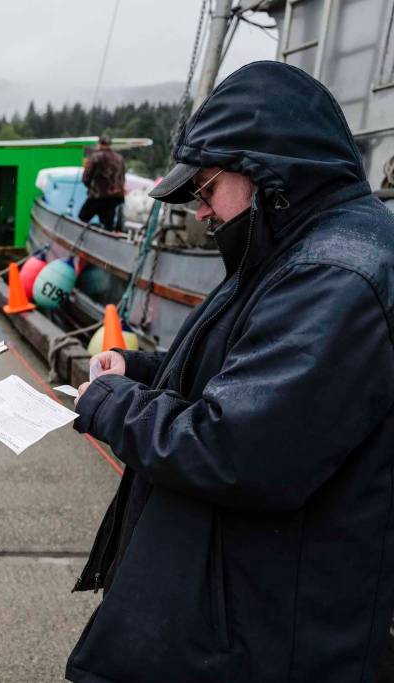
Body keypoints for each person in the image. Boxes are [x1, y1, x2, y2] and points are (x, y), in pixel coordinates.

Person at [67, 61, 394, 682]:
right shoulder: (294, 251)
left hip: (270, 637)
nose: (202, 212)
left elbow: (238, 447)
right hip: (242, 613)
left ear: (266, 173)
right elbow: (244, 372)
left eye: (206, 188)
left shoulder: (332, 274)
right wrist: (138, 368)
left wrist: (110, 404)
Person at [78, 133, 125, 232]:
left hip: (97, 196)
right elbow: (122, 179)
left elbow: (86, 177)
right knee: (107, 228)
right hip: (114, 198)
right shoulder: (119, 158)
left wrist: (91, 187)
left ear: (99, 143)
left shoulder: (95, 157)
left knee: (82, 219)